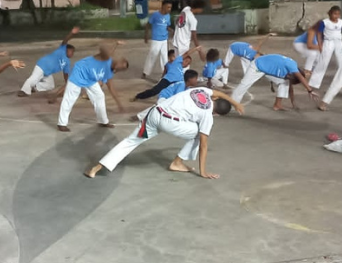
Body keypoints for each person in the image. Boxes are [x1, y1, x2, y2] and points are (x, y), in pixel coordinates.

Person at [84, 87, 245, 180]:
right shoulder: (208, 116)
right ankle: (177, 163)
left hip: (154, 113)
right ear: (217, 114)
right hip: (169, 122)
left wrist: (235, 103)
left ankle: (96, 168)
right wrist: (203, 171)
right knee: (200, 134)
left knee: (130, 141)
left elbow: (220, 93)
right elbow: (203, 145)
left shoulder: (201, 90)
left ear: (215, 99)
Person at [56, 41, 129, 132]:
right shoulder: (105, 58)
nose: (121, 67)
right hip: (79, 72)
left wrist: (119, 104)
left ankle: (103, 121)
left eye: (123, 68)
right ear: (118, 61)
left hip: (90, 79)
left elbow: (112, 89)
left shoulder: (109, 73)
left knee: (99, 96)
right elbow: (102, 47)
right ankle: (61, 124)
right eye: (122, 64)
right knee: (70, 98)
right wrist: (115, 44)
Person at [232, 54, 316, 111]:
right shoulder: (292, 67)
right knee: (244, 84)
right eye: (290, 78)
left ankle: (277, 105)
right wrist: (310, 90)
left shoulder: (291, 73)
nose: (288, 78)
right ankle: (233, 103)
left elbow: (290, 87)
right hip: (257, 66)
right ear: (293, 75)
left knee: (285, 83)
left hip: (268, 68)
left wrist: (293, 103)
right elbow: (301, 77)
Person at [18, 27, 79, 96]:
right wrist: (72, 33)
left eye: (73, 52)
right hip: (42, 66)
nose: (72, 53)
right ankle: (23, 91)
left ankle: (35, 87)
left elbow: (66, 74)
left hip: (48, 72)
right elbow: (65, 40)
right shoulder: (61, 50)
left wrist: (67, 84)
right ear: (66, 49)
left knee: (50, 85)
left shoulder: (67, 62)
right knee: (33, 79)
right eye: (72, 51)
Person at [131, 46, 201, 102]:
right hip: (166, 80)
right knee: (155, 91)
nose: (187, 64)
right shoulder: (176, 62)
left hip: (174, 84)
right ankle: (138, 96)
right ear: (182, 60)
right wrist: (195, 49)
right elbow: (186, 53)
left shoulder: (182, 72)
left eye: (188, 63)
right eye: (186, 61)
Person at [133, 69, 200, 122]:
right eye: (195, 78)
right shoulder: (181, 85)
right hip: (165, 97)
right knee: (159, 107)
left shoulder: (187, 87)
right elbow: (177, 98)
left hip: (170, 99)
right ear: (190, 79)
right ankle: (139, 116)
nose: (197, 80)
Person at [308, 6, 342, 90]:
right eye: (335, 14)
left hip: (338, 42)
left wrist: (341, 44)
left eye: (338, 14)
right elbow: (318, 34)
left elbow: (340, 32)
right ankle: (314, 83)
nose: (336, 16)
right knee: (323, 62)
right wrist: (320, 45)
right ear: (330, 14)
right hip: (328, 42)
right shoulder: (324, 22)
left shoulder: (341, 22)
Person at [142, 0, 174, 79]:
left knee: (164, 57)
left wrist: (171, 30)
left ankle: (165, 73)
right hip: (156, 39)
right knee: (153, 55)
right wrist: (146, 36)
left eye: (170, 8)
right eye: (168, 7)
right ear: (163, 6)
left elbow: (167, 26)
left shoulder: (168, 16)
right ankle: (145, 72)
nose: (169, 9)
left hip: (164, 39)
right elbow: (148, 25)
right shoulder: (155, 15)